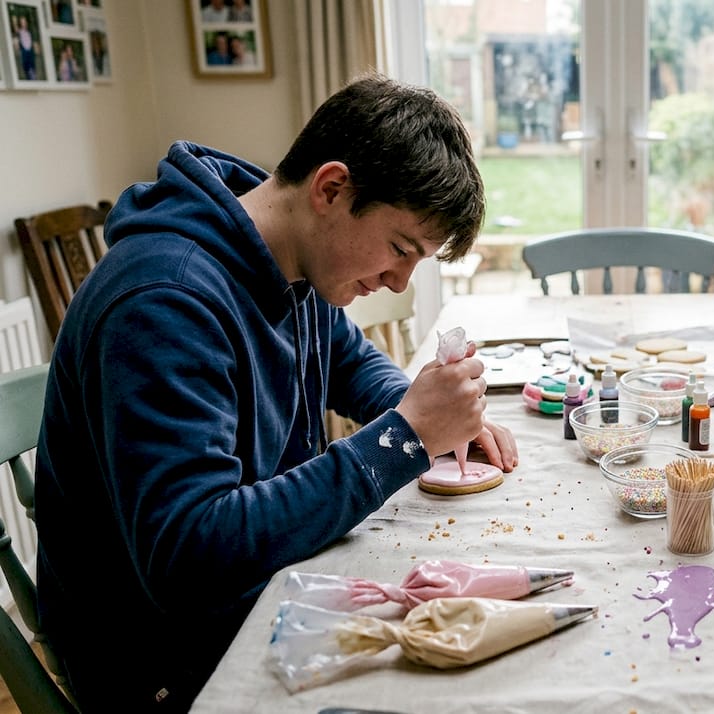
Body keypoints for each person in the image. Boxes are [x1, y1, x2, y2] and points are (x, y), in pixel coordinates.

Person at [35, 73, 518, 711]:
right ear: (332, 188)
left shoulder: (285, 256)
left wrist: (431, 411)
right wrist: (404, 437)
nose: (401, 283)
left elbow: (353, 363)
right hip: (161, 663)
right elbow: (188, 557)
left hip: (256, 590)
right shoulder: (164, 301)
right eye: (400, 249)